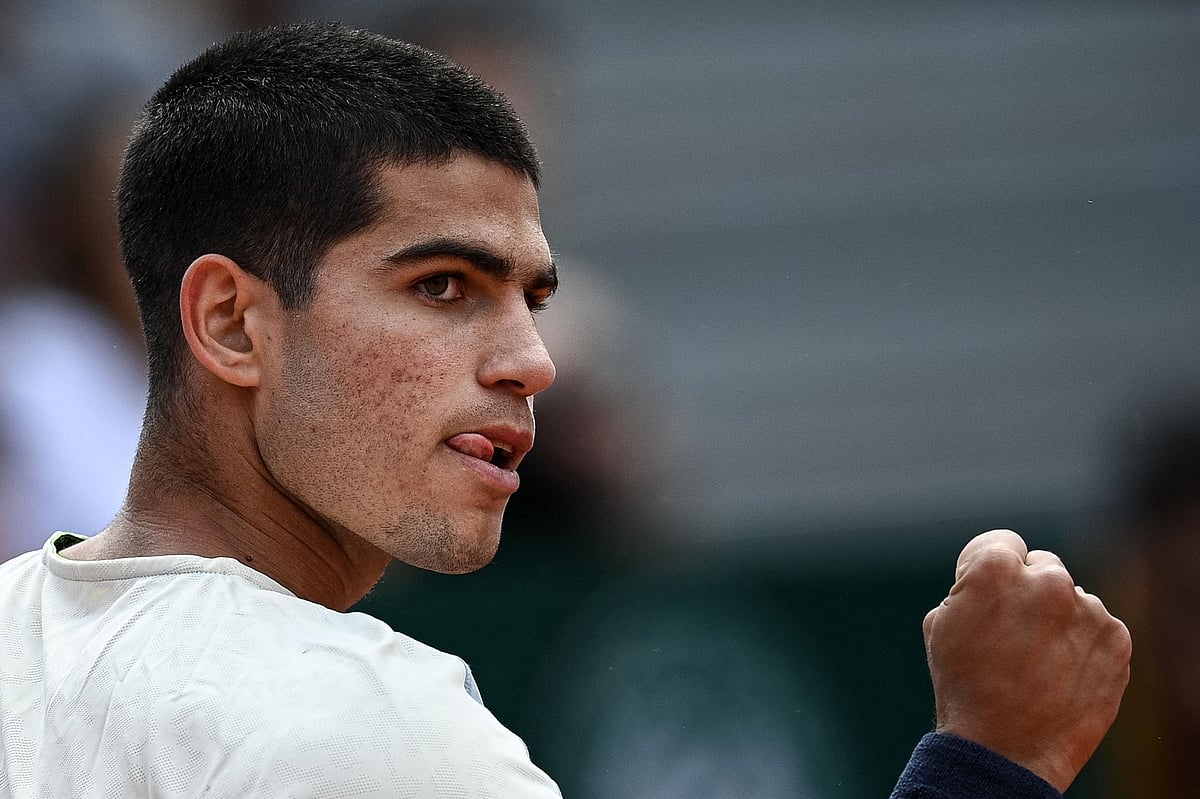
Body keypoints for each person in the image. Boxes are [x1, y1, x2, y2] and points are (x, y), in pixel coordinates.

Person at [0, 21, 1130, 798]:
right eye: (443, 286)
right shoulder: (356, 719)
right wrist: (994, 759)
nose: (534, 362)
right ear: (234, 324)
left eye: (533, 298)